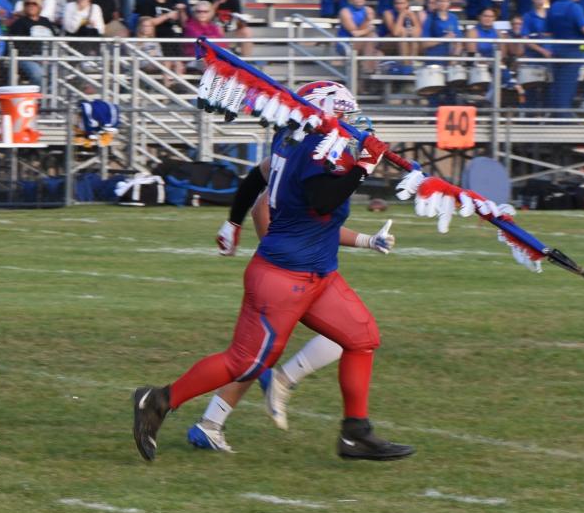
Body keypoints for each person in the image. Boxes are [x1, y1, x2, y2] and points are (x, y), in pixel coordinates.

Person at [133, 79, 411, 464]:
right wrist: (364, 165)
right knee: (246, 361)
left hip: (318, 272)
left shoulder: (294, 141)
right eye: (344, 113)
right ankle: (159, 400)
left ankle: (356, 434)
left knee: (361, 337)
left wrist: (233, 221)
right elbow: (323, 199)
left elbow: (256, 177)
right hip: (285, 276)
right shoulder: (313, 148)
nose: (351, 122)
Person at [191, 162, 397, 453]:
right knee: (258, 355)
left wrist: (367, 240)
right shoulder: (301, 161)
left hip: (298, 270)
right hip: (289, 276)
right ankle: (275, 385)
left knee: (341, 338)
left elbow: (319, 225)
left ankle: (212, 423)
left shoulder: (300, 158)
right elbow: (271, 211)